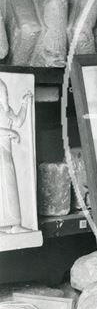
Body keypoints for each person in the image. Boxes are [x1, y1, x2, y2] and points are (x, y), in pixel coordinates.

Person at [0, 79, 33, 234]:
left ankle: (15, 225)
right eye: (2, 92)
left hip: (6, 153)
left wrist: (25, 104)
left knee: (10, 187)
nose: (4, 95)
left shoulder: (6, 110)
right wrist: (10, 132)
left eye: (5, 92)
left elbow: (19, 121)